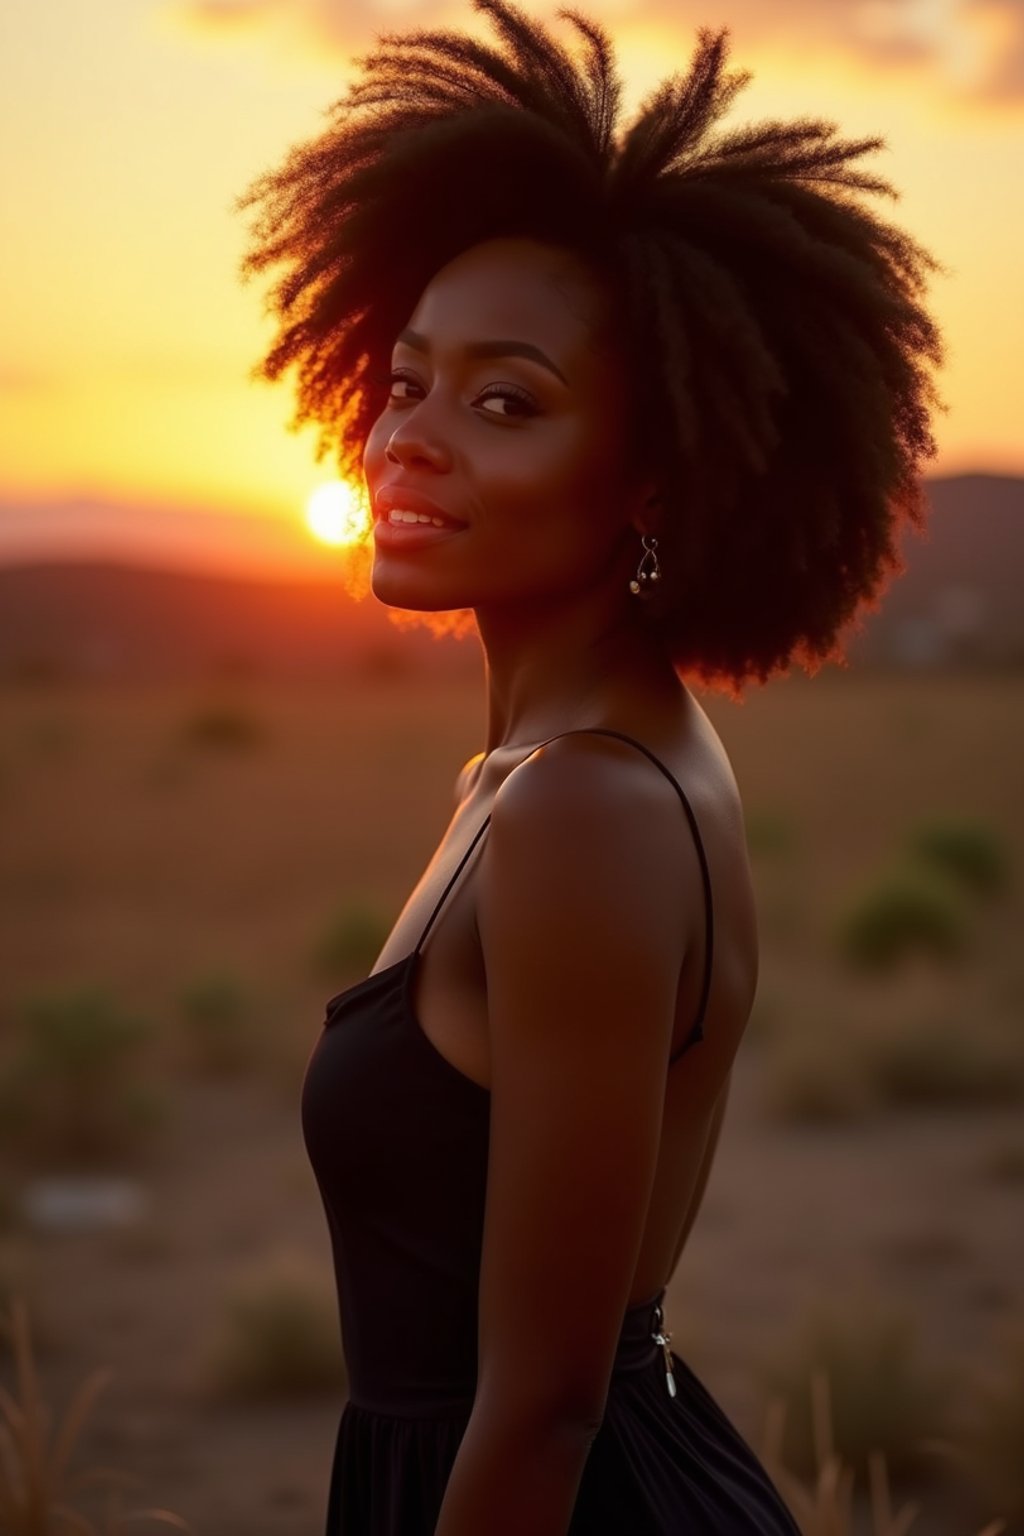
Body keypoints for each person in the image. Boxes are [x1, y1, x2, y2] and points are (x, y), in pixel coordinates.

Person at [237, 1, 942, 1530]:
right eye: (407, 378)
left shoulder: (586, 809)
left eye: (506, 402)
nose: (408, 437)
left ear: (655, 479)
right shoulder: (555, 763)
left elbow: (547, 1407)